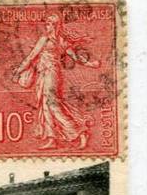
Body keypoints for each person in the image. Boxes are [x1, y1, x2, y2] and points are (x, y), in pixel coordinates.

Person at [10, 13, 100, 150]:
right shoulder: (56, 40)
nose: (46, 26)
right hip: (44, 74)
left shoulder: (48, 39)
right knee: (45, 105)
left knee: (52, 105)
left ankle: (79, 131)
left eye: (49, 24)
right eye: (46, 23)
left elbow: (32, 57)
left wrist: (90, 64)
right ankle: (52, 139)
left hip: (51, 74)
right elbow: (32, 58)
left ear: (55, 25)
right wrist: (90, 63)